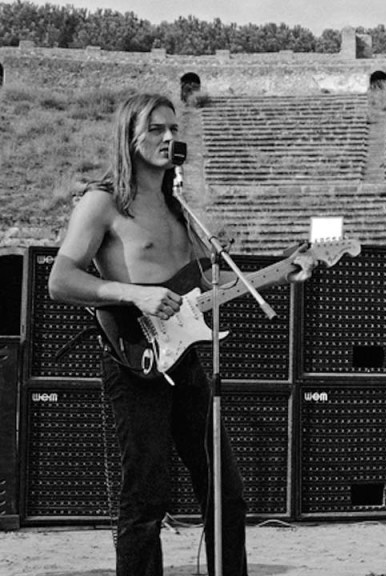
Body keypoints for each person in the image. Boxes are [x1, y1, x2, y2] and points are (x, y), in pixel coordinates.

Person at [48, 93, 310, 576]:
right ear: (130, 136)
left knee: (225, 490)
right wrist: (133, 294)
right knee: (145, 495)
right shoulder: (102, 202)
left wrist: (277, 273)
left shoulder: (182, 209)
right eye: (156, 129)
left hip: (186, 358)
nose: (169, 137)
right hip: (136, 360)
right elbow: (60, 280)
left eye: (173, 128)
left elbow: (202, 290)